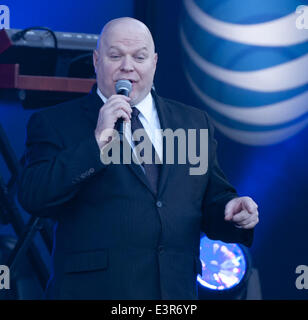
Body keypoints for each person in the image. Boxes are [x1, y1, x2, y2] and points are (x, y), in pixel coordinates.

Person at [17, 17, 259, 300]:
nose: (127, 66)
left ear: (154, 62)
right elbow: (34, 196)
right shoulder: (56, 123)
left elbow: (212, 199)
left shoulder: (194, 122)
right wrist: (96, 144)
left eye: (139, 57)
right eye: (116, 55)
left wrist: (233, 209)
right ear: (97, 60)